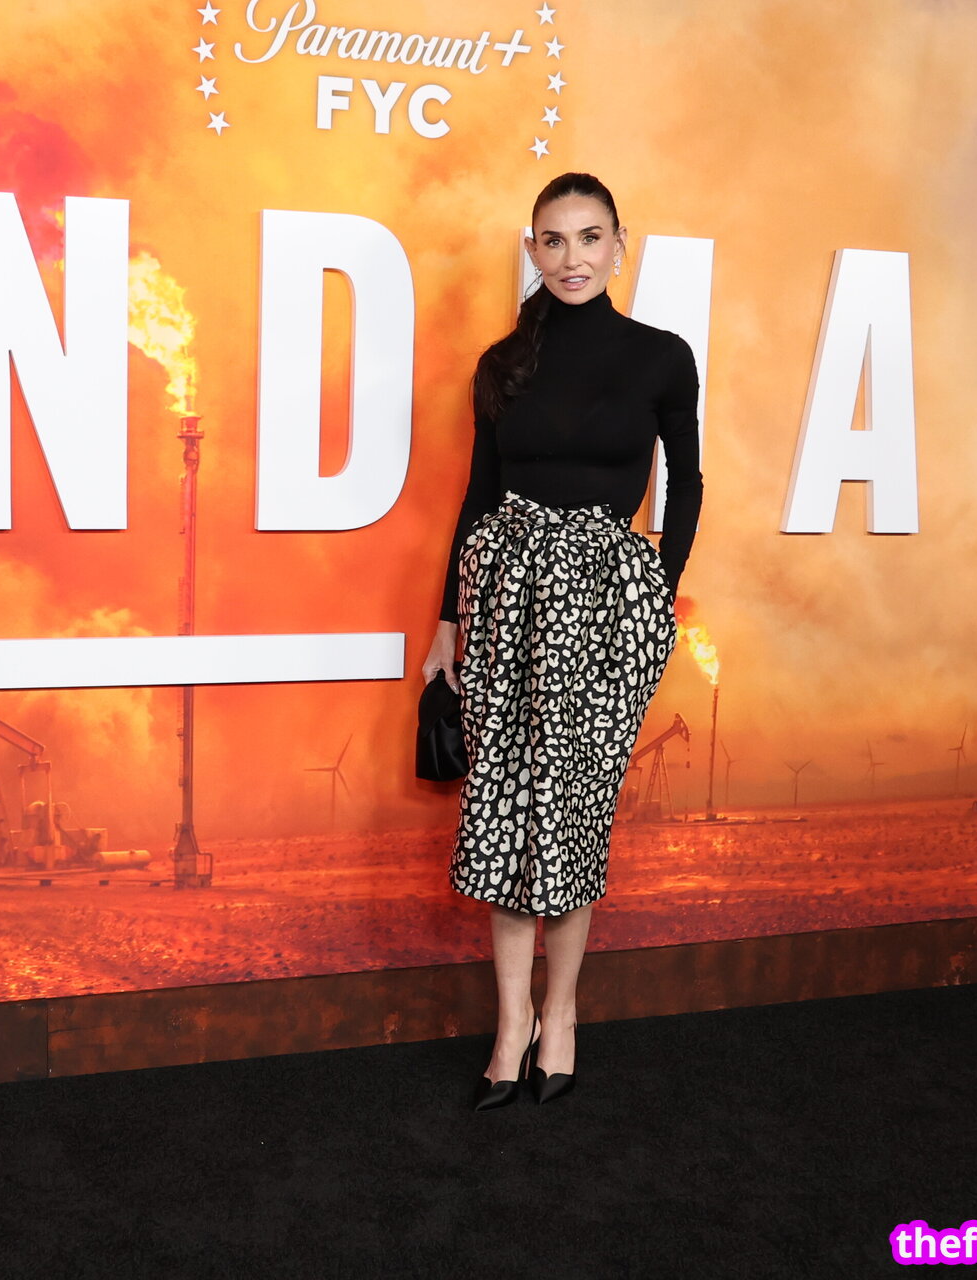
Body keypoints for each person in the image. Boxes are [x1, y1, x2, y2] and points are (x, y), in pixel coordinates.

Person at [421, 172, 702, 1110]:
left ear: (619, 244)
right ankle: (512, 1028)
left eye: (590, 237)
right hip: (505, 603)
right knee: (505, 811)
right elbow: (478, 495)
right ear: (531, 249)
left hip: (607, 611)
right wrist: (448, 623)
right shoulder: (503, 364)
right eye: (554, 239)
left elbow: (688, 483)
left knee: (573, 814)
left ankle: (563, 1015)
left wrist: (654, 595)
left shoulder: (662, 357)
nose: (572, 257)